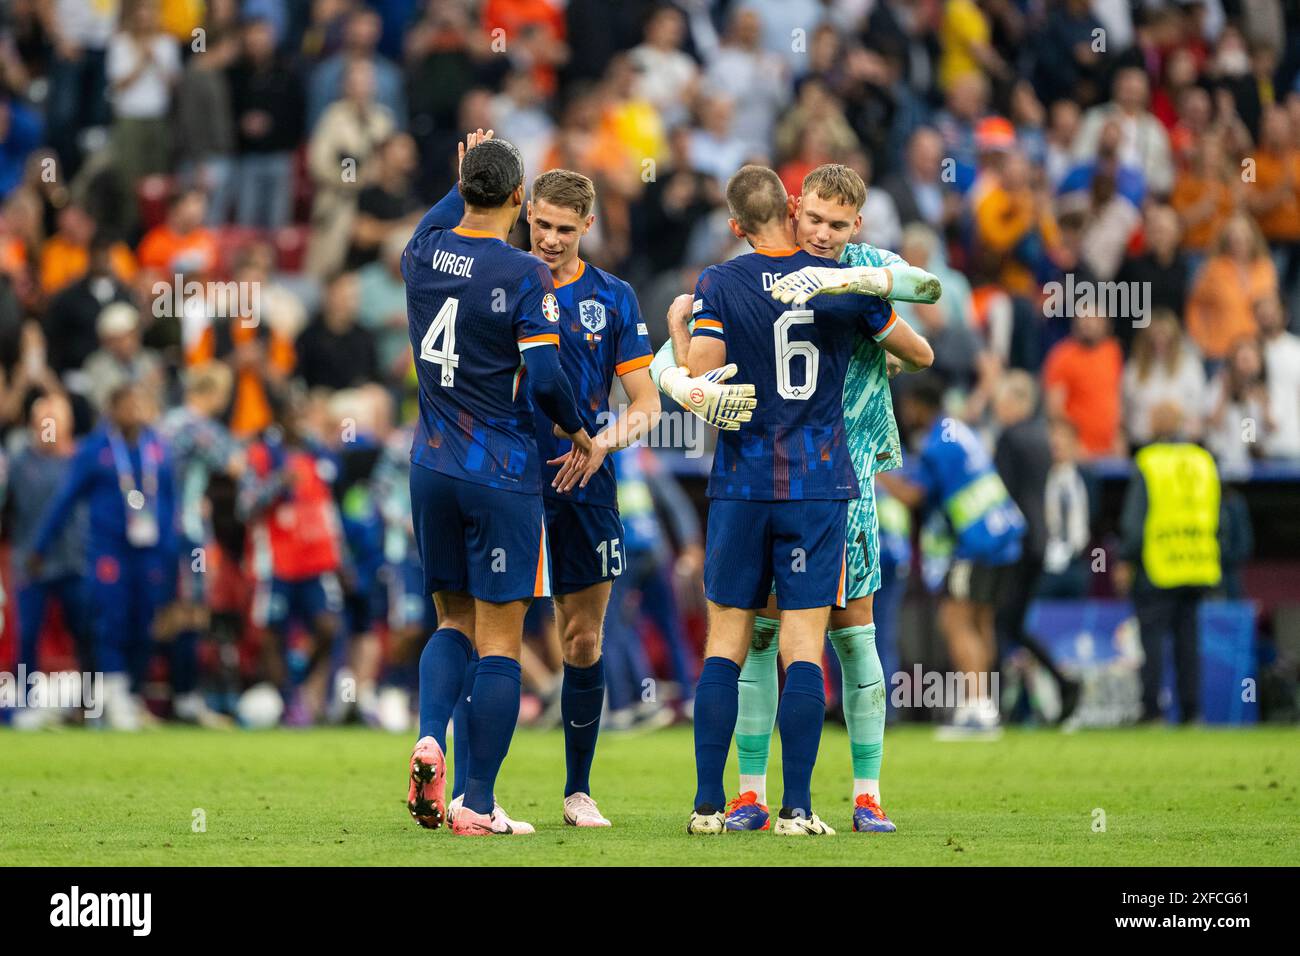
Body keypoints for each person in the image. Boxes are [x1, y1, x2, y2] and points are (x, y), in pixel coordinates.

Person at [691, 163, 937, 834]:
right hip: (817, 479)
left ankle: (864, 794)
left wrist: (858, 285)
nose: (824, 233)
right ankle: (757, 796)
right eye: (815, 219)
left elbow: (924, 307)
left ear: (857, 225)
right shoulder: (808, 281)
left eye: (838, 225)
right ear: (793, 207)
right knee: (772, 636)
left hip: (831, 476)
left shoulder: (858, 270)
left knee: (853, 636)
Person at [403, 137, 593, 837]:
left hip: (430, 466)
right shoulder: (524, 273)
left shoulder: (421, 252)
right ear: (520, 198)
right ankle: (477, 804)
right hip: (501, 473)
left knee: (451, 622)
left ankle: (431, 737)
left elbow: (441, 215)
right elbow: (543, 379)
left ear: (464, 187)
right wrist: (578, 430)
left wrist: (463, 174)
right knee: (500, 643)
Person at [878, 374, 1025, 735]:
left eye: (908, 406)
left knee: (955, 622)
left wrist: (875, 473)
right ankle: (986, 705)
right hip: (1002, 535)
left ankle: (976, 708)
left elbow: (913, 497)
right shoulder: (958, 430)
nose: (905, 412)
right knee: (981, 622)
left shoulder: (935, 445)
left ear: (919, 405)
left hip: (975, 542)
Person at [29, 382, 176, 730]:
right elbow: (64, 500)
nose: (135, 411)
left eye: (139, 403)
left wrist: (173, 552)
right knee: (111, 621)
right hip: (110, 552)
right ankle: (115, 693)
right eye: (127, 404)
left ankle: (129, 692)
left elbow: (170, 503)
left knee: (146, 624)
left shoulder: (158, 448)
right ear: (112, 409)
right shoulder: (95, 450)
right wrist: (39, 546)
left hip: (150, 552)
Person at [239, 397, 346, 726]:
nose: (301, 421)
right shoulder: (262, 454)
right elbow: (245, 506)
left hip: (316, 560)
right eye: (295, 414)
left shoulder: (317, 454)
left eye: (305, 414)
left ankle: (297, 686)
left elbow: (328, 506)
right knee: (272, 633)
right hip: (276, 560)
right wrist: (277, 482)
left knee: (328, 628)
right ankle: (287, 704)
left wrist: (341, 557)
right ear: (281, 418)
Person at [1116, 402, 1224, 723]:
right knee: (1188, 641)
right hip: (1197, 564)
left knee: (1152, 641)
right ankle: (1192, 711)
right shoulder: (1203, 460)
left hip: (1159, 566)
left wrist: (1125, 558)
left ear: (1155, 424)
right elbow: (1219, 515)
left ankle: (1152, 711)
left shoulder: (1149, 461)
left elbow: (1135, 521)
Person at [990, 370, 1080, 721]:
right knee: (1011, 623)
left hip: (1015, 542)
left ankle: (994, 706)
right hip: (1039, 542)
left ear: (1019, 401)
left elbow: (1001, 492)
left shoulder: (1010, 437)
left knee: (1000, 622)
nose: (998, 409)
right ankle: (1064, 682)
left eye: (1002, 401)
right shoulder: (1042, 437)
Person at [7, 394, 91, 730]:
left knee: (87, 636)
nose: (49, 427)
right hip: (31, 563)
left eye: (55, 420)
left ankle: (90, 706)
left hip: (77, 561)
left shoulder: (82, 460)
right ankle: (26, 703)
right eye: (43, 420)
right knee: (26, 636)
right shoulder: (18, 463)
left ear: (68, 424)